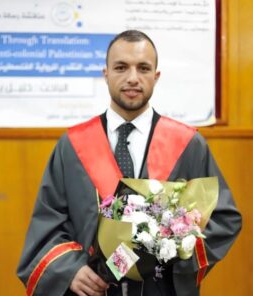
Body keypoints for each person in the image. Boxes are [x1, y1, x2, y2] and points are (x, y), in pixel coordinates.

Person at [17, 30, 242, 296]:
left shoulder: (188, 144)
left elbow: (223, 218)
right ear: (106, 74)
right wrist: (69, 269)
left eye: (143, 68)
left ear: (156, 77)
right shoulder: (72, 146)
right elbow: (48, 221)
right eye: (121, 67)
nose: (133, 78)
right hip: (95, 289)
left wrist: (175, 251)